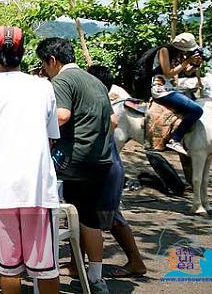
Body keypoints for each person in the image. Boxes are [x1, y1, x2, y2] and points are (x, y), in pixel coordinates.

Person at [0, 27, 61, 294]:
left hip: (3, 192)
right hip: (38, 190)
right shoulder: (43, 86)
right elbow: (50, 138)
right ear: (22, 53)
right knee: (46, 267)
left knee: (8, 268)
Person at [36, 37, 114, 294]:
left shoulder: (62, 81)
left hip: (71, 160)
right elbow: (113, 122)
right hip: (101, 161)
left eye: (44, 65)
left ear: (52, 61)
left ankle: (38, 263)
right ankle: (95, 276)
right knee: (88, 217)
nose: (45, 71)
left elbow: (62, 116)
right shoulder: (96, 82)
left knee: (36, 190)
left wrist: (33, 128)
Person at [86, 65, 147, 278]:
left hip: (106, 170)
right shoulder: (103, 104)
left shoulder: (97, 105)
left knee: (109, 218)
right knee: (88, 217)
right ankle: (77, 265)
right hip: (108, 168)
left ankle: (136, 262)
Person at [151, 32, 204, 155]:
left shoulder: (180, 54)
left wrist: (196, 63)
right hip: (161, 90)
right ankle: (175, 139)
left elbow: (187, 72)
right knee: (197, 110)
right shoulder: (164, 51)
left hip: (173, 89)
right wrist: (187, 61)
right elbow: (168, 73)